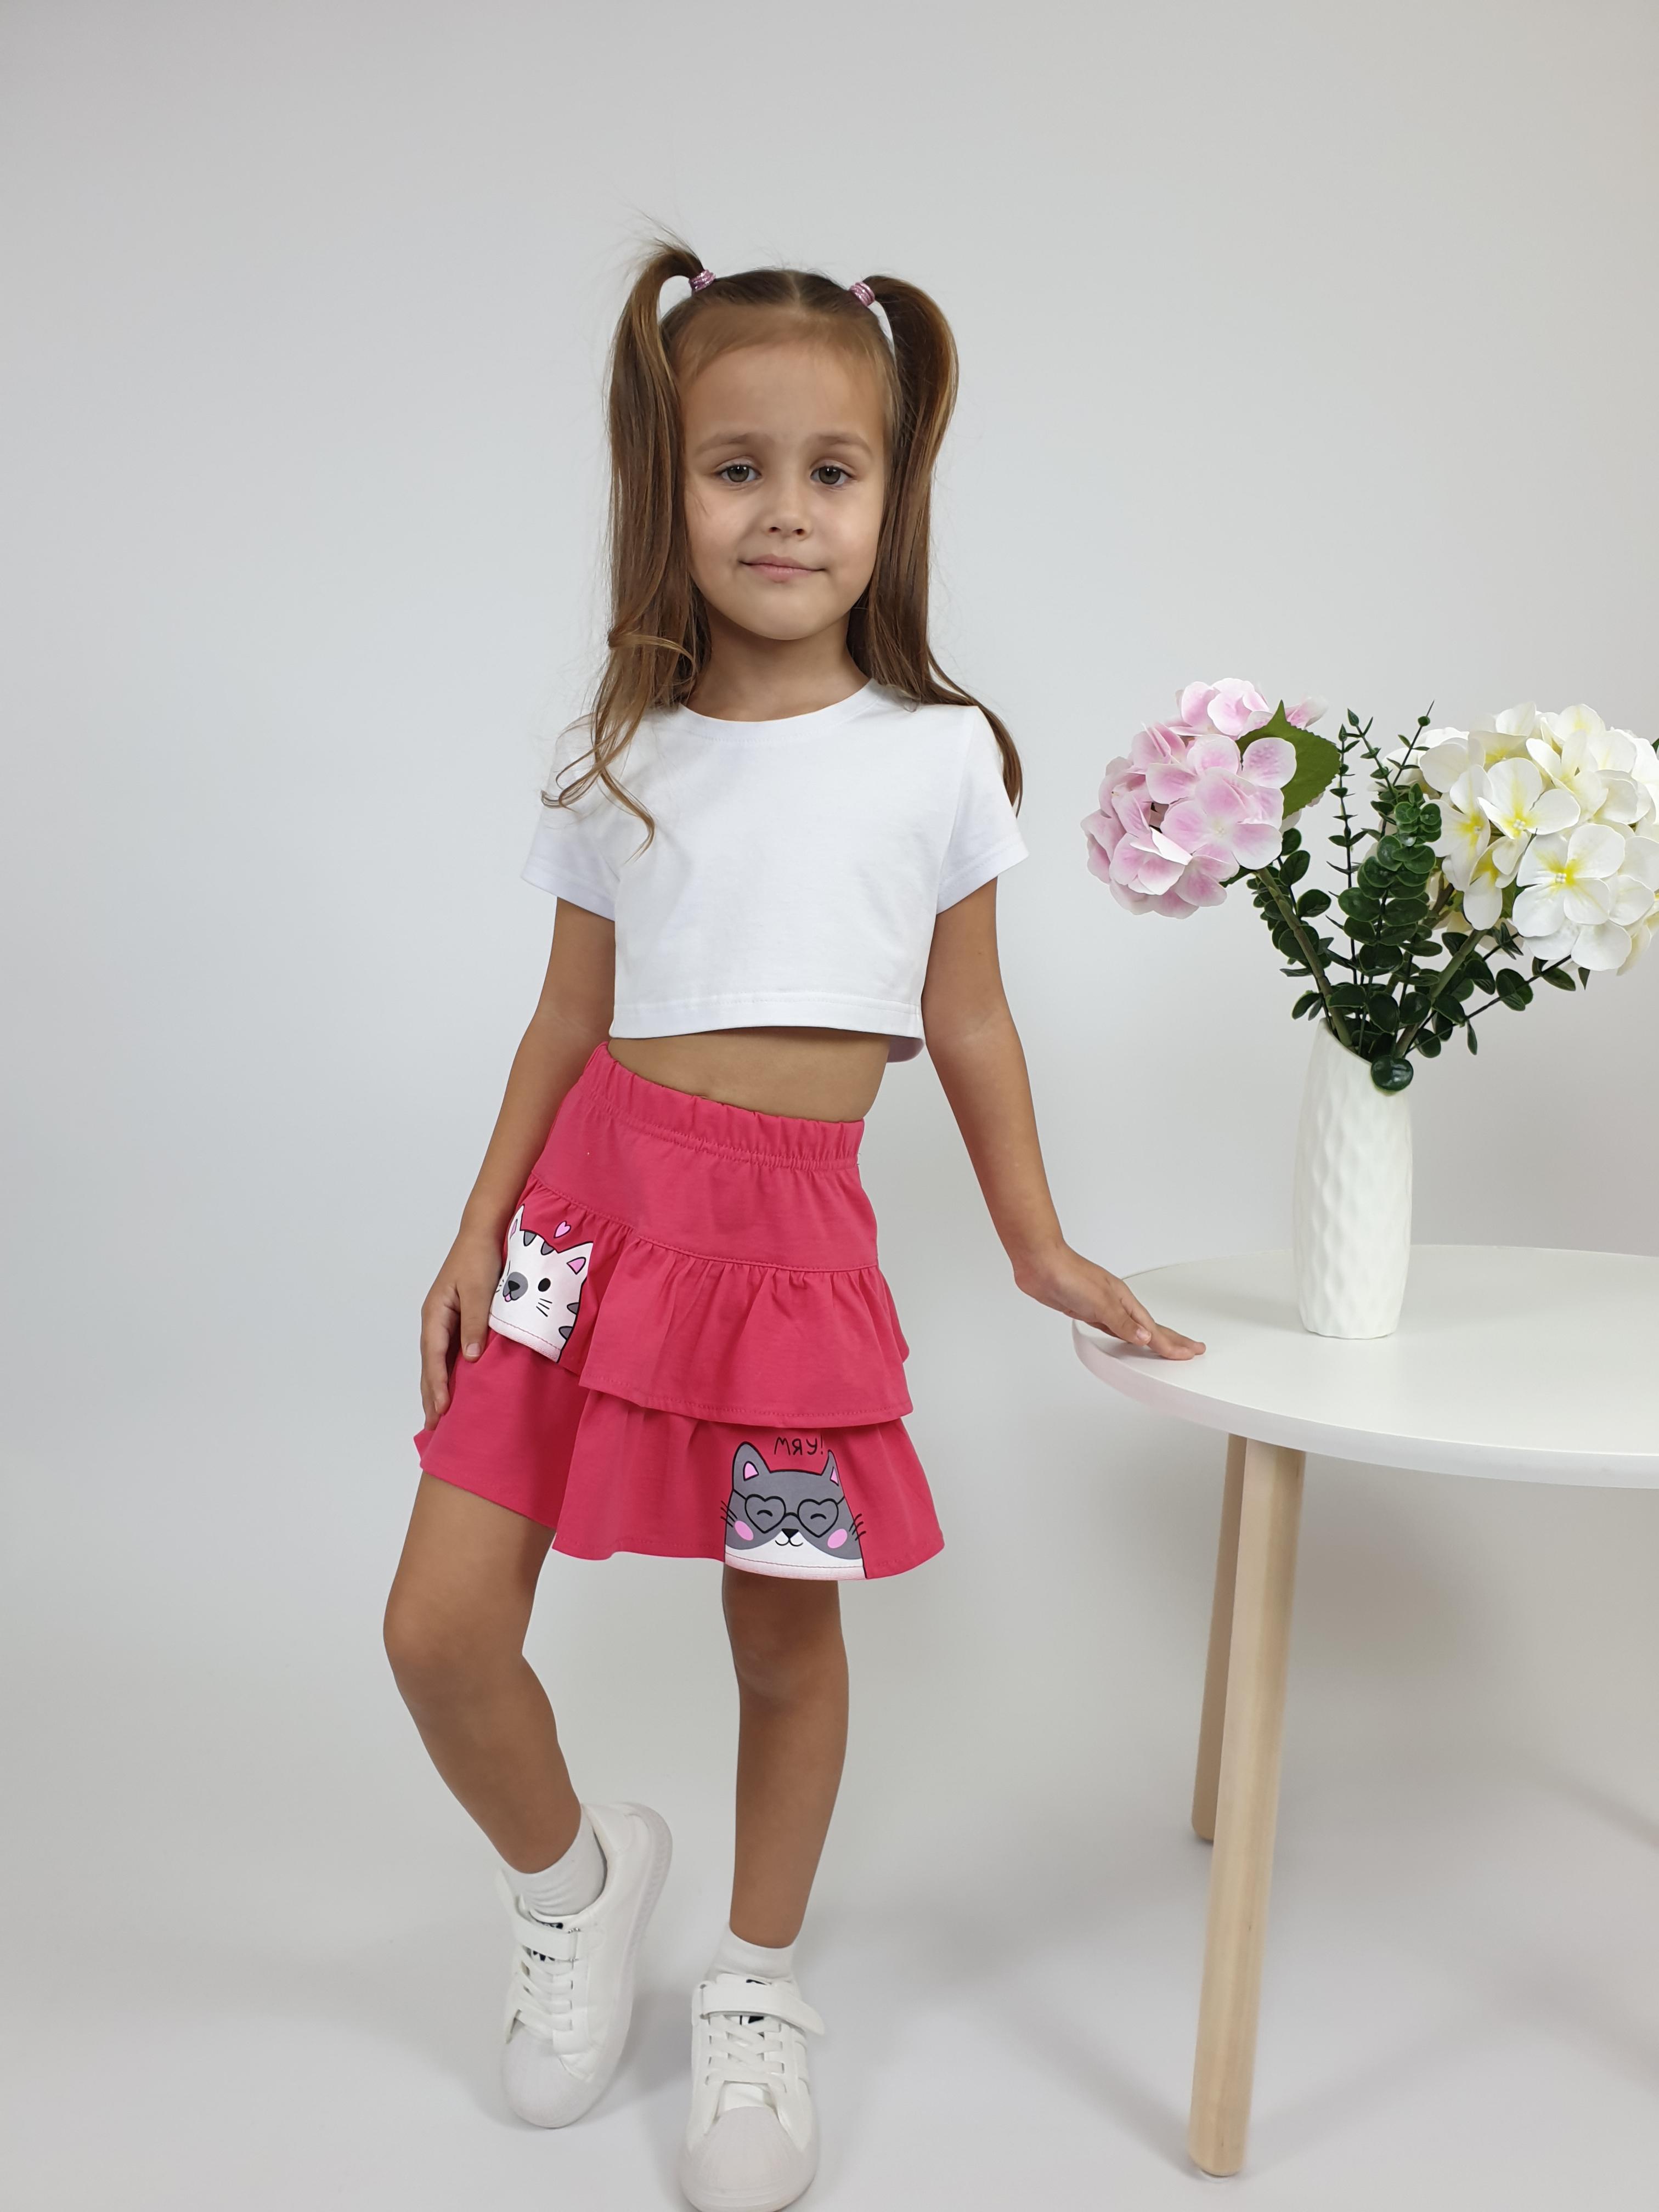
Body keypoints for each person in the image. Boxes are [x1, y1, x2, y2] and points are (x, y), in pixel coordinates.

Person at [382, 241, 1203, 2212]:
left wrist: (1037, 1241)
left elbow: (970, 1019)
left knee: (781, 1635)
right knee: (438, 1627)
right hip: (585, 1227)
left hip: (785, 1270)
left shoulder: (937, 756)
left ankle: (754, 1985)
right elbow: (566, 1018)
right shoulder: (620, 757)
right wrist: (476, 1231)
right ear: (664, 489)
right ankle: (577, 1890)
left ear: (891, 497)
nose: (785, 511)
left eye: (833, 471)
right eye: (735, 467)